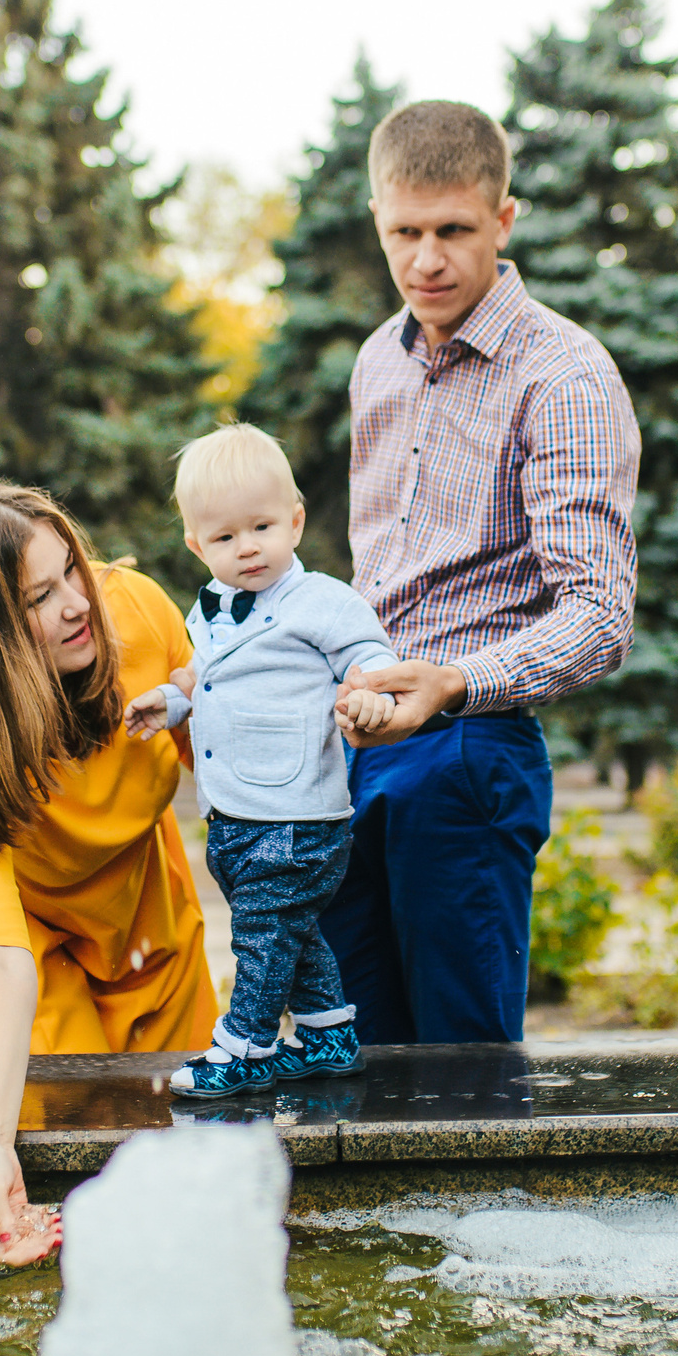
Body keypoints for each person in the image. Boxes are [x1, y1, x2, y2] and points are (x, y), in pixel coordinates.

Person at [326, 99, 641, 1045]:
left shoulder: (564, 374)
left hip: (468, 752)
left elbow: (600, 611)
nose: (427, 260)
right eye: (404, 232)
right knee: (348, 1058)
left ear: (502, 221)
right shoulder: (377, 361)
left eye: (454, 231)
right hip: (351, 752)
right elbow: (374, 567)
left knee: (463, 1083)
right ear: (377, 218)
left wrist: (461, 681)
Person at [0, 482, 219, 1266]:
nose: (79, 603)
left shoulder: (133, 608)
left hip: (147, 930)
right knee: (56, 1167)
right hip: (23, 963)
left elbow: (229, 761)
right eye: (41, 595)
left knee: (195, 1164)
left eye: (73, 569)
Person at [122, 424, 399, 1098]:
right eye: (224, 537)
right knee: (292, 932)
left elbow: (375, 659)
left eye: (262, 526)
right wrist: (171, 701)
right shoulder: (209, 610)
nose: (246, 547)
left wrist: (371, 697)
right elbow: (204, 678)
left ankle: (244, 1043)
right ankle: (329, 1032)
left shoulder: (323, 601)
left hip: (297, 815)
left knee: (263, 935)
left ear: (295, 520)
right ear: (196, 544)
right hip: (236, 813)